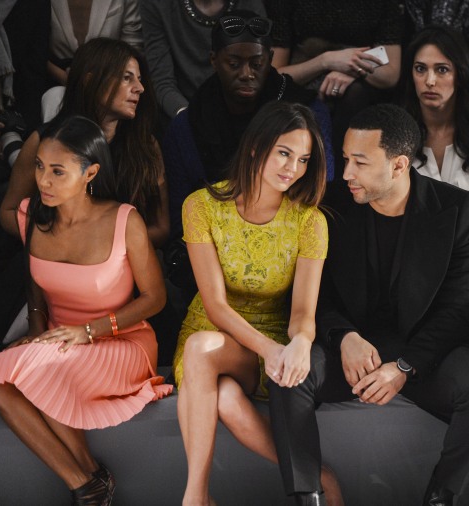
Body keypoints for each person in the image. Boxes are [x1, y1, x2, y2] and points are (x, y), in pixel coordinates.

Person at [266, 104, 469, 506]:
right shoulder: (330, 206)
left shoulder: (458, 209)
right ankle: (308, 497)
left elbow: (462, 308)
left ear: (399, 165)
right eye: (344, 159)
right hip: (350, 349)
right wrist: (343, 337)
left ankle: (440, 498)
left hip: (423, 353)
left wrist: (406, 367)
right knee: (289, 375)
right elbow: (311, 292)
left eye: (359, 162)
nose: (346, 174)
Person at [0, 115, 172, 505]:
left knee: (31, 372)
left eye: (57, 171)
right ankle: (86, 481)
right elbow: (36, 286)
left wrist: (87, 331)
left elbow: (155, 298)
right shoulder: (32, 218)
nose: (43, 181)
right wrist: (39, 329)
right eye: (39, 166)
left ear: (90, 172)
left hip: (121, 343)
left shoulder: (124, 219)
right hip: (56, 342)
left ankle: (90, 479)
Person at [172, 101, 342, 506]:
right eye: (284, 153)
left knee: (227, 383)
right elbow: (214, 305)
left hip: (271, 344)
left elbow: (303, 312)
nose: (293, 168)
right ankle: (197, 496)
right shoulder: (201, 207)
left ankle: (318, 476)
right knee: (222, 390)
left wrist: (300, 343)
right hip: (212, 336)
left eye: (303, 159)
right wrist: (271, 350)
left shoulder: (309, 221)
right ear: (255, 147)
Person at [163, 10, 334, 247]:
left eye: (257, 64)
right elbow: (180, 214)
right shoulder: (189, 125)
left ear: (270, 59)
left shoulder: (307, 111)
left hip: (290, 239)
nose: (246, 74)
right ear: (214, 60)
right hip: (210, 244)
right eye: (234, 64)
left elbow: (322, 184)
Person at [0, 37, 169, 247]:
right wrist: (57, 242)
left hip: (123, 262)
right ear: (90, 80)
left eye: (139, 78)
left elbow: (161, 227)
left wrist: (103, 247)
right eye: (127, 78)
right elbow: (8, 212)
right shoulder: (42, 140)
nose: (140, 88)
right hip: (57, 258)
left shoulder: (146, 145)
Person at [267, 0, 404, 178]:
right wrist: (326, 61)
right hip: (303, 83)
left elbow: (391, 73)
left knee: (355, 96)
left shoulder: (382, 5)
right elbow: (274, 75)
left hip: (359, 90)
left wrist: (354, 68)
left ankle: (346, 182)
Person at [399, 26, 469, 192]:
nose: (429, 81)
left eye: (442, 69)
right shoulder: (396, 131)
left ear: (460, 74)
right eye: (420, 69)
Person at [140, 0, 266, 122]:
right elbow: (162, 81)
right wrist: (188, 117)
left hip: (238, 112)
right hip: (181, 112)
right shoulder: (158, 4)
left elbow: (258, 75)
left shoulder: (250, 4)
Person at [47, 0, 142, 86]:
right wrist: (63, 77)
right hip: (54, 79)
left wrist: (106, 80)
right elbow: (35, 45)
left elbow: (132, 47)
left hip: (113, 80)